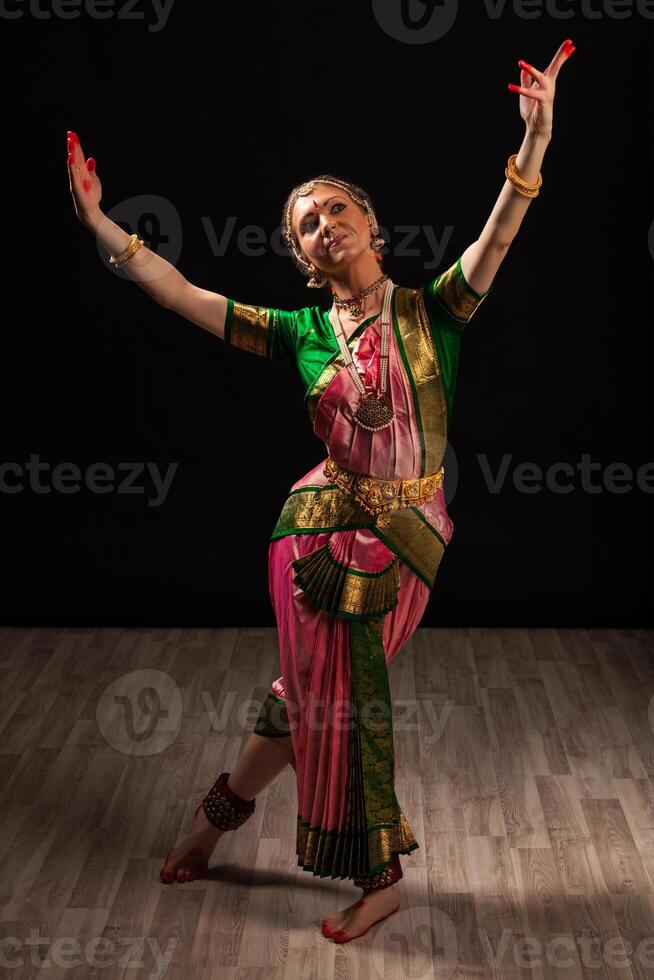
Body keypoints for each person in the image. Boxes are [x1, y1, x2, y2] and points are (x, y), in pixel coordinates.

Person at [66, 37, 574, 944]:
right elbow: (182, 294)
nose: (323, 222)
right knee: (322, 694)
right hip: (314, 533)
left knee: (330, 696)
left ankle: (246, 833)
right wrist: (102, 224)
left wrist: (533, 141)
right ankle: (320, 858)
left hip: (408, 534)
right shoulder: (297, 330)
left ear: (373, 228)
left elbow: (500, 232)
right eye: (305, 221)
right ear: (302, 253)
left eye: (337, 208)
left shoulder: (434, 310)